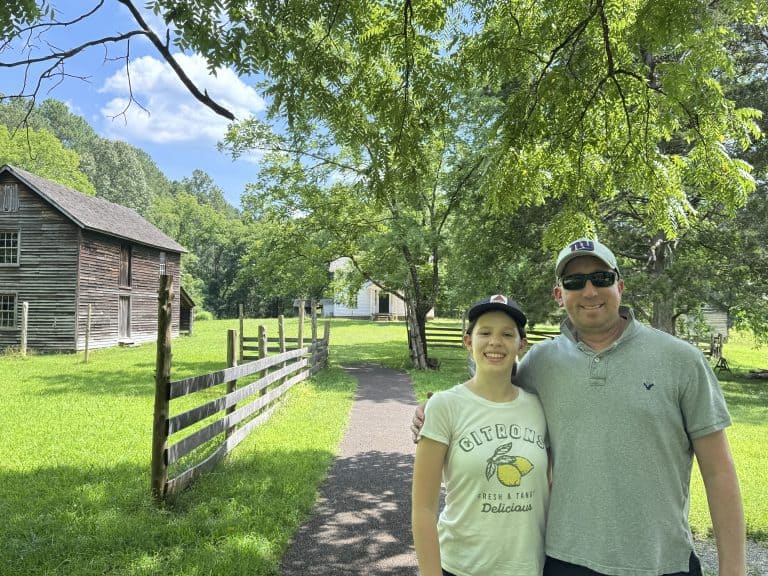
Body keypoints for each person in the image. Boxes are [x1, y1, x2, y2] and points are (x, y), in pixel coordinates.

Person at [412, 238, 746, 576]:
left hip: (661, 561)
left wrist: (732, 569)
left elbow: (718, 471)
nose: (589, 291)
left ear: (620, 286)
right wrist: (433, 411)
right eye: (574, 282)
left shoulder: (681, 361)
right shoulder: (541, 364)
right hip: (565, 560)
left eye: (600, 278)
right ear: (560, 295)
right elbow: (492, 394)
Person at [412, 294, 550, 576]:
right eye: (484, 332)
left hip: (529, 568)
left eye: (507, 334)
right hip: (461, 567)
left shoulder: (539, 407)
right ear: (468, 341)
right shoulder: (444, 406)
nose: (495, 342)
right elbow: (423, 509)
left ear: (520, 345)